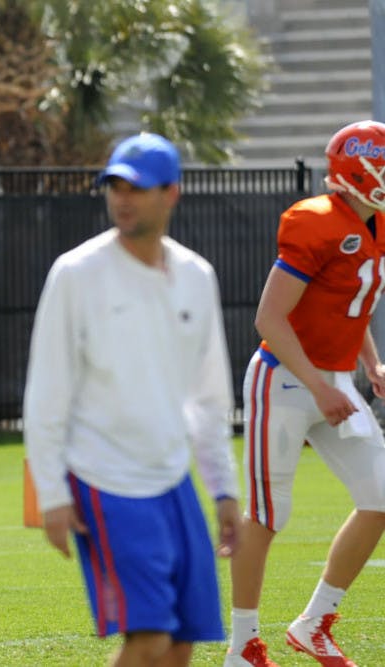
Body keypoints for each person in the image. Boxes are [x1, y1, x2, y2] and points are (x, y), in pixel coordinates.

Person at [23, 132, 241, 667]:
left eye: (137, 187)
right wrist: (50, 494)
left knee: (184, 641)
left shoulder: (196, 275)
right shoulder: (76, 273)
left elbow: (210, 396)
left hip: (173, 480)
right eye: (114, 185)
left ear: (172, 194)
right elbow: (46, 392)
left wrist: (223, 489)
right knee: (147, 642)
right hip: (103, 480)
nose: (122, 197)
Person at [224, 120, 385, 667]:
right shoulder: (315, 222)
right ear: (359, 171)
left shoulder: (375, 224)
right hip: (286, 381)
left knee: (381, 496)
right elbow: (270, 318)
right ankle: (242, 643)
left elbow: (348, 303)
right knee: (268, 515)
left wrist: (371, 362)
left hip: (333, 380)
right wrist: (319, 384)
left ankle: (314, 623)